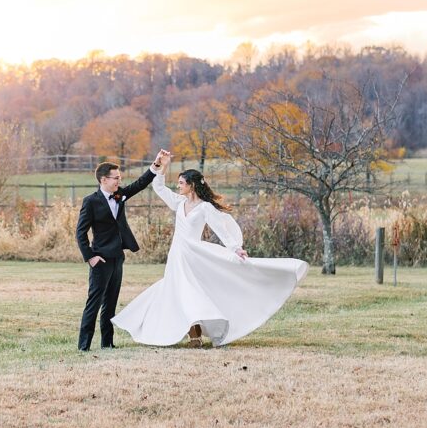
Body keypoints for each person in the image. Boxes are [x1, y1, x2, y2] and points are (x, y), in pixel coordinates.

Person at [111, 150, 308, 348]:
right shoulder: (179, 203)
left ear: (192, 185)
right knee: (178, 291)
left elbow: (221, 230)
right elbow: (158, 187)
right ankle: (192, 334)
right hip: (177, 255)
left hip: (194, 255)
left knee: (190, 292)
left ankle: (196, 335)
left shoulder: (205, 208)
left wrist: (235, 248)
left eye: (181, 183)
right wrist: (164, 165)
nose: (178, 186)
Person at [75, 158, 160, 351]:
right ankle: (83, 345)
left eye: (119, 177)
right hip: (100, 259)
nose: (119, 181)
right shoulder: (91, 201)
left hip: (117, 257)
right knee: (94, 303)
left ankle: (107, 343)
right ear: (103, 180)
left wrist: (155, 166)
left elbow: (140, 184)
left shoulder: (119, 194)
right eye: (116, 178)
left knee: (111, 303)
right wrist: (91, 257)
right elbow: (80, 233)